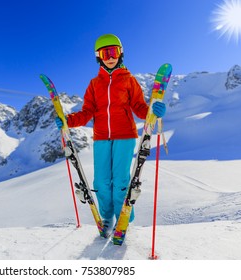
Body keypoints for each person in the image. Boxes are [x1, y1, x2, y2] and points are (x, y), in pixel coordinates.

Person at [55, 34, 166, 235]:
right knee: (101, 182)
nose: (110, 57)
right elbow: (87, 112)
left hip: (125, 135)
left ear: (120, 53)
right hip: (101, 138)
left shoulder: (129, 81)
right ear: (98, 56)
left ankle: (123, 218)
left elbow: (139, 107)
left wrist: (153, 110)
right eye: (105, 53)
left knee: (121, 180)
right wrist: (68, 121)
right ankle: (106, 217)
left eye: (113, 51)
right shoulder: (94, 84)